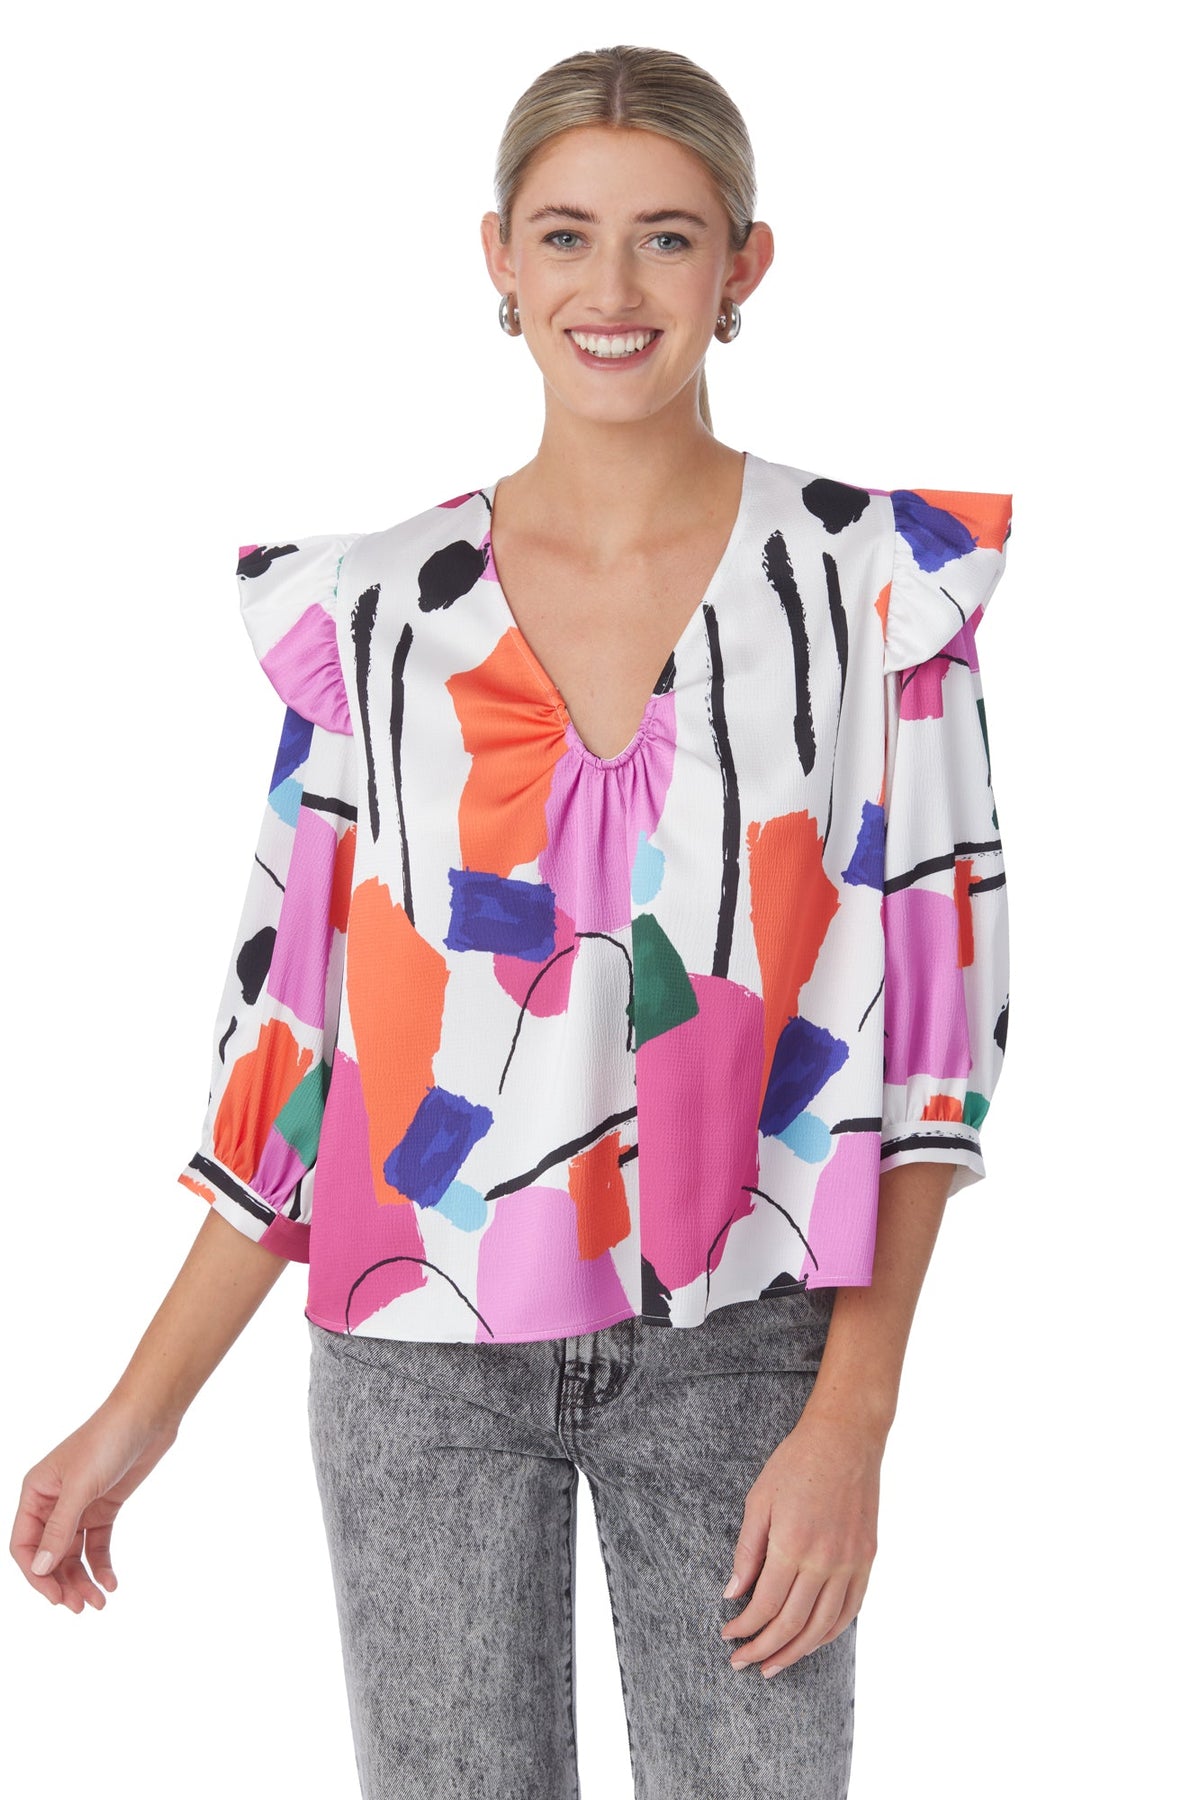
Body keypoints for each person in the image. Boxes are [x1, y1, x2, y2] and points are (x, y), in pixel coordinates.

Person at [11, 43, 1012, 1800]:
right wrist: (138, 1409)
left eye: (666, 237)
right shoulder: (380, 613)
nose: (611, 288)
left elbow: (932, 1051)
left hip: (747, 1348)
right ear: (499, 257)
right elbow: (296, 1049)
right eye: (565, 235)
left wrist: (853, 1418)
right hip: (414, 1369)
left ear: (746, 263)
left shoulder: (868, 589)